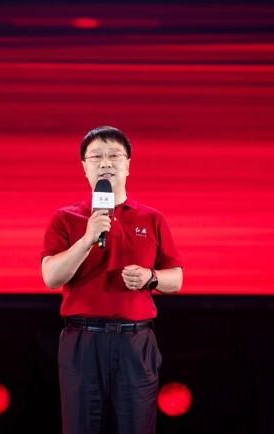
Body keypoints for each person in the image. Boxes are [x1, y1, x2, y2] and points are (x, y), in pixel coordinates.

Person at [41, 125, 183, 434]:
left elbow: (176, 279)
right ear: (84, 167)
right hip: (82, 341)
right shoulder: (66, 218)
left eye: (114, 155)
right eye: (97, 157)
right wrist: (88, 239)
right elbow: (51, 277)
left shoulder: (151, 218)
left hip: (135, 342)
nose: (106, 163)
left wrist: (150, 277)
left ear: (128, 164)